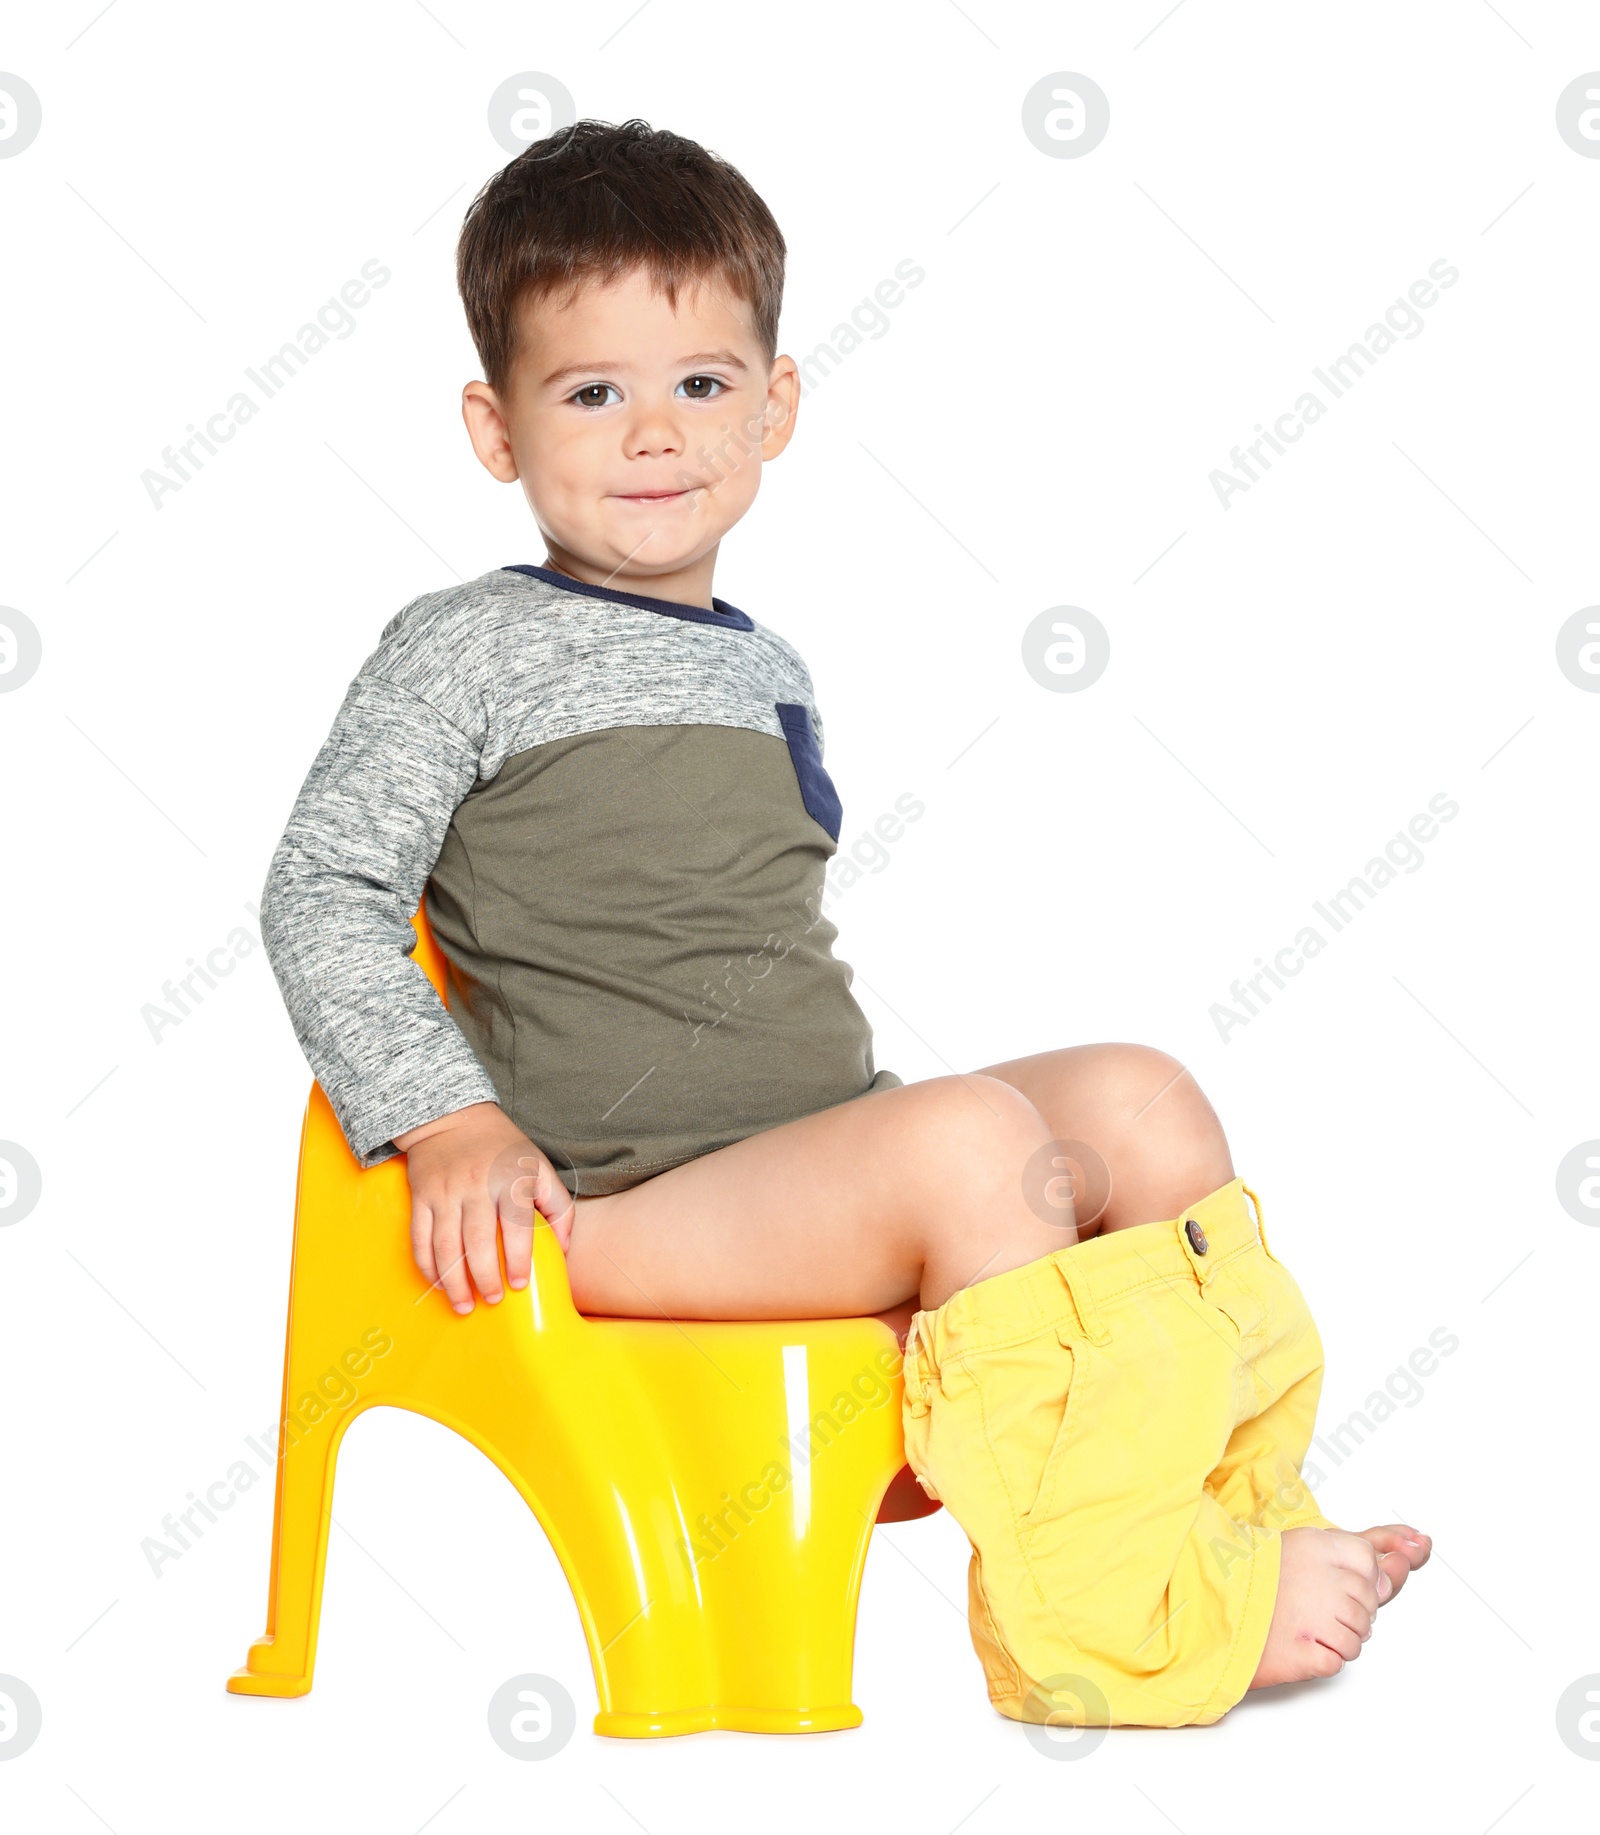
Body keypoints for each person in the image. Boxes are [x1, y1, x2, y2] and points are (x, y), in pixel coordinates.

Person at [260, 117, 1429, 1728]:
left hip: (812, 1161)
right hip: (615, 1210)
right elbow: (320, 889)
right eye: (592, 390)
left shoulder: (767, 666)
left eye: (702, 384)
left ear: (776, 404)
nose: (655, 434)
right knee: (965, 1144)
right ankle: (1105, 1631)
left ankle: (1229, 1530)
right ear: (495, 426)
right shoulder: (461, 649)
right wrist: (445, 1119)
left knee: (1141, 1097)